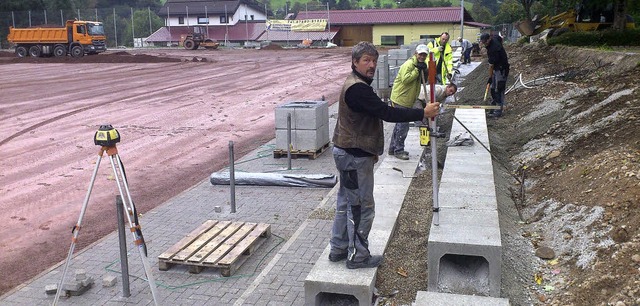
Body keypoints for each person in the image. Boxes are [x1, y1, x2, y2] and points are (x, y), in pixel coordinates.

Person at [329, 41, 440, 269]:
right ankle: (357, 256)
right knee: (361, 206)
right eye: (366, 61)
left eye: (374, 61)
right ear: (355, 62)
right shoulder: (358, 88)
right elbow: (386, 113)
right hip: (353, 156)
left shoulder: (357, 83)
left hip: (349, 151)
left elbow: (365, 120)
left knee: (346, 202)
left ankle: (338, 248)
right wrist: (423, 112)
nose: (371, 65)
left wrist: (369, 151)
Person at [387, 44, 429, 160]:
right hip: (401, 99)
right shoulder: (410, 64)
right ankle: (398, 151)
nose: (422, 56)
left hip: (405, 99)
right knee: (403, 126)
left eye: (424, 55)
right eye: (420, 54)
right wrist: (417, 70)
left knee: (399, 125)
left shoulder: (418, 64)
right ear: (416, 53)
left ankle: (393, 148)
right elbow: (405, 80)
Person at [480, 32, 509, 118]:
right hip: (497, 68)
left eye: (486, 42)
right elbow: (500, 38)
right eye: (483, 42)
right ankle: (493, 107)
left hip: (501, 69)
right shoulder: (495, 38)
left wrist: (490, 77)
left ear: (489, 39)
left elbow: (491, 65)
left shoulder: (493, 49)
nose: (485, 44)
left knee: (499, 89)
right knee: (493, 89)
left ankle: (498, 111)